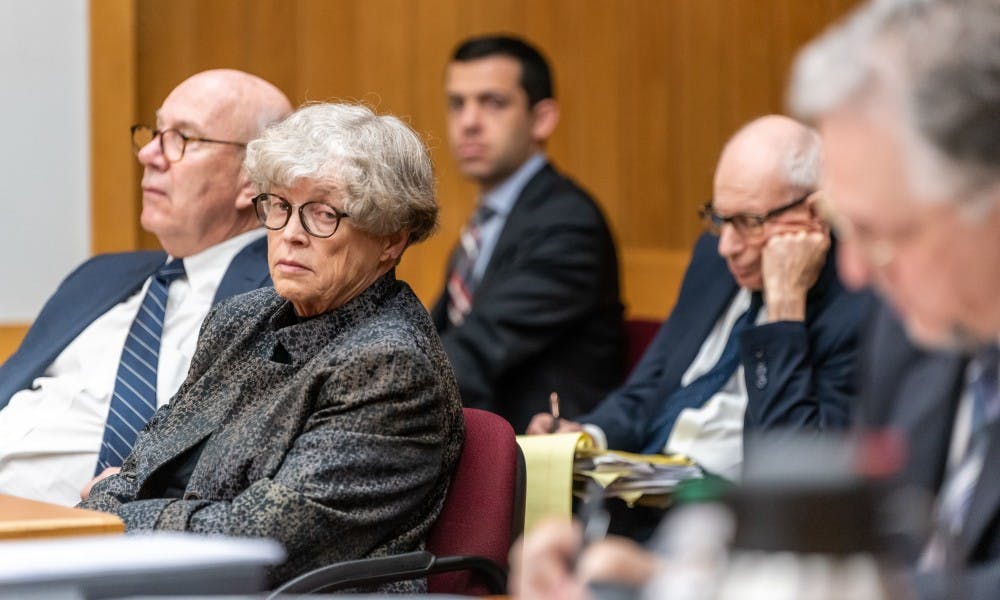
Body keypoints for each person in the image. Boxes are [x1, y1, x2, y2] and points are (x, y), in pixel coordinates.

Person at [79, 102, 465, 590]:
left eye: (322, 214)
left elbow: (263, 541)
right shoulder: (239, 321)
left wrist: (112, 524)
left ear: (391, 237)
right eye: (279, 207)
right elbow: (141, 465)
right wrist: (105, 515)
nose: (290, 235)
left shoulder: (390, 364)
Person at [0, 69, 290, 505]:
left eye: (183, 139)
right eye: (155, 133)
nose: (149, 154)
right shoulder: (98, 277)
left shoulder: (282, 295)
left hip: (80, 540)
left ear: (252, 181)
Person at [788, 0, 1000, 596]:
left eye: (885, 233)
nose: (854, 272)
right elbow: (871, 546)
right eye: (845, 229)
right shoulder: (907, 326)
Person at [527, 115, 869, 480]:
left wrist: (784, 312)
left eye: (749, 222)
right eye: (721, 219)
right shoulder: (713, 259)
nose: (727, 246)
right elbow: (651, 386)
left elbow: (796, 474)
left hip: (735, 511)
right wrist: (588, 433)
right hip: (641, 490)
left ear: (814, 214)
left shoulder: (858, 305)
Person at [431, 34, 624, 432]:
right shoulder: (487, 223)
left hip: (537, 461)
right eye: (457, 103)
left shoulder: (569, 224)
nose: (468, 122)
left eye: (493, 102)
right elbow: (437, 337)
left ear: (542, 119)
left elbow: (474, 351)